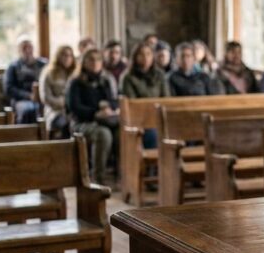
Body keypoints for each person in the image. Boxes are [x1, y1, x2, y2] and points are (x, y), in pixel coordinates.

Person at [66, 48, 118, 185]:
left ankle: (120, 175)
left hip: (105, 120)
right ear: (83, 62)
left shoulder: (105, 80)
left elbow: (113, 100)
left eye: (98, 59)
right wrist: (95, 113)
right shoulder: (75, 83)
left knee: (122, 133)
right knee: (103, 134)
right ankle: (98, 178)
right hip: (82, 122)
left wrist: (109, 108)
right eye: (91, 59)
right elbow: (75, 107)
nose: (95, 63)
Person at [120, 43, 170, 149]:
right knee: (152, 134)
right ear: (135, 57)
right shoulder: (128, 77)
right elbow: (132, 103)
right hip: (139, 119)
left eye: (148, 54)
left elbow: (166, 98)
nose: (145, 58)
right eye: (141, 55)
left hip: (159, 115)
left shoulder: (160, 75)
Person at [4, 37, 47, 124]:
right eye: (24, 47)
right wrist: (28, 95)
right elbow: (8, 88)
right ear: (19, 50)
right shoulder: (13, 66)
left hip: (43, 98)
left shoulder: (43, 64)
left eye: (30, 47)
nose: (27, 50)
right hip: (22, 100)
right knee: (29, 110)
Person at [39, 45, 76, 137]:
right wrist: (63, 103)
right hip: (55, 111)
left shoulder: (76, 73)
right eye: (64, 55)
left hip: (74, 110)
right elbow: (45, 97)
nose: (67, 58)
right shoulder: (48, 73)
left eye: (70, 55)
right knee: (65, 123)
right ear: (58, 56)